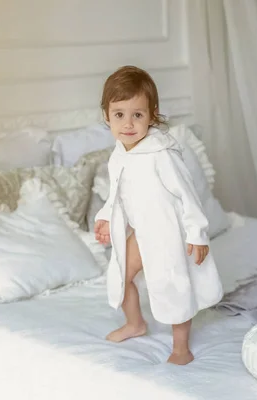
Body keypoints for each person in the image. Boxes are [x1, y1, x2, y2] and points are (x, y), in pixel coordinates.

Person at [94, 66, 224, 365]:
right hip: (142, 231)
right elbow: (116, 195)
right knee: (121, 275)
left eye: (137, 115)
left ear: (152, 115)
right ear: (106, 116)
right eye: (119, 114)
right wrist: (104, 217)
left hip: (170, 232)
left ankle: (181, 347)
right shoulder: (119, 154)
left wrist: (198, 234)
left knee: (173, 285)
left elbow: (188, 196)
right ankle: (135, 323)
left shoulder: (161, 154)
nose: (128, 123)